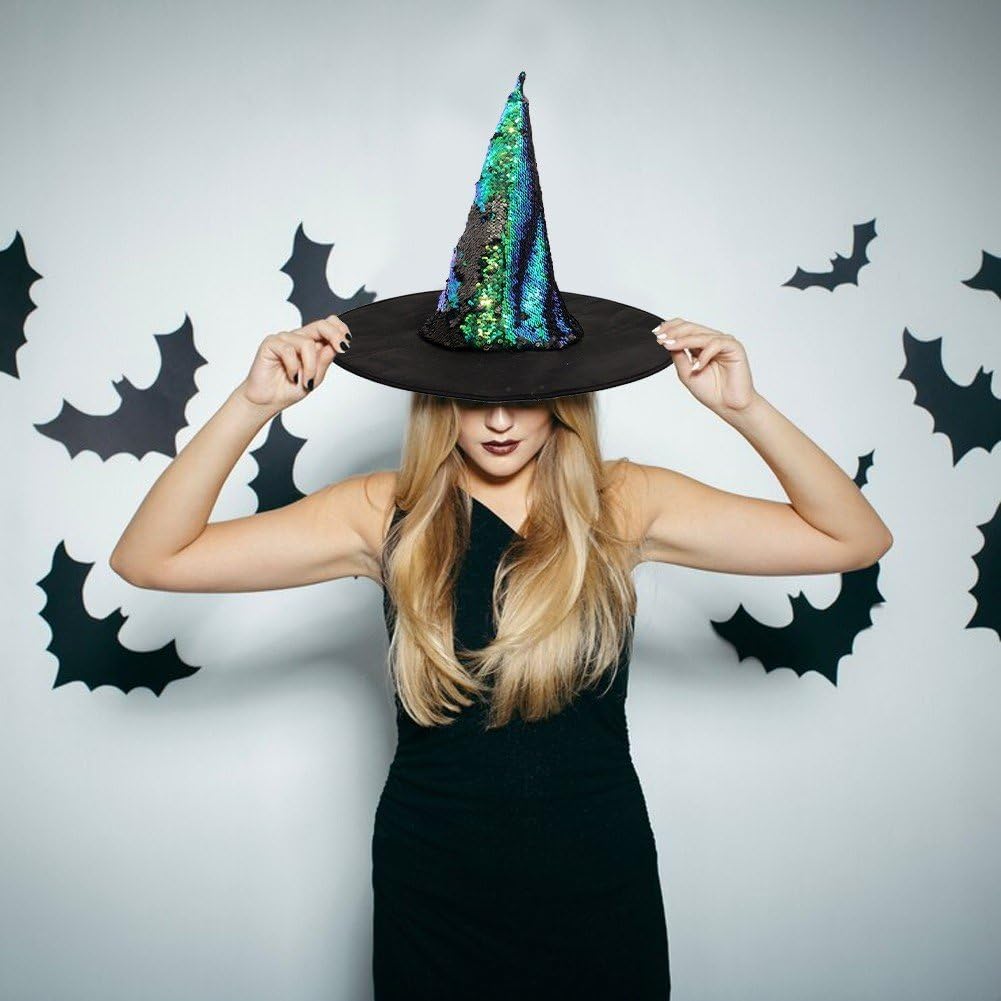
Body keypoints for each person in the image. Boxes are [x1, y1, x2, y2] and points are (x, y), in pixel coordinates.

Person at [109, 312, 894, 1000]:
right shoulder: (383, 510)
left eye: (524, 393)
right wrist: (251, 405)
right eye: (471, 394)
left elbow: (852, 538)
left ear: (564, 397)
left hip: (597, 878)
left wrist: (744, 409)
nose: (497, 420)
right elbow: (150, 558)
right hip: (435, 886)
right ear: (435, 398)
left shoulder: (622, 501)